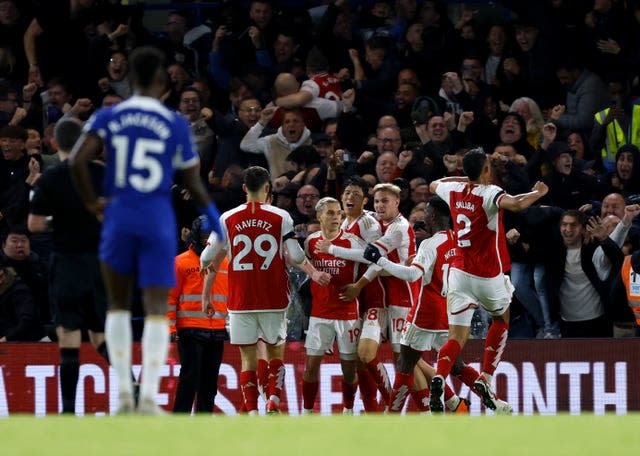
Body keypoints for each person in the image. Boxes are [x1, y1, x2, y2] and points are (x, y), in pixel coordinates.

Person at [69, 45, 223, 415]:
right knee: (155, 308)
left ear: (130, 79)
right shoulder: (173, 123)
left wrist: (92, 204)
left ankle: (125, 393)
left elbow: (76, 159)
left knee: (118, 306)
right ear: (160, 80)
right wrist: (217, 221)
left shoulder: (109, 115)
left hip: (119, 214)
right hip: (155, 217)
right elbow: (194, 181)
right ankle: (148, 398)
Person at [199, 166, 330, 415]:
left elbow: (207, 257)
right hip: (273, 298)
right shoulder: (281, 216)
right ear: (268, 188)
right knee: (275, 353)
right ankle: (273, 401)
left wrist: (205, 267)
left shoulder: (226, 218)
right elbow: (296, 255)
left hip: (241, 299)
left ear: (244, 188)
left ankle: (250, 410)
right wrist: (309, 267)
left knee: (248, 359)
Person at [427, 148, 548, 413]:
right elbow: (516, 203)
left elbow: (433, 184)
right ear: (485, 170)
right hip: (487, 274)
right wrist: (537, 193)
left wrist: (459, 180)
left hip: (458, 273)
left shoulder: (453, 191)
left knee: (456, 336)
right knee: (501, 318)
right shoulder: (490, 193)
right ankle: (487, 377)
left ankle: (439, 375)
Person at [364, 196, 505, 413]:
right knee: (457, 366)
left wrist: (380, 260)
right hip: (451, 314)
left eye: (427, 212)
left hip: (424, 315)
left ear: (436, 216)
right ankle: (495, 402)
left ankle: (390, 417)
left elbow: (412, 275)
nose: (424, 216)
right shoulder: (462, 241)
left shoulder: (430, 244)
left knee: (405, 366)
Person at [27, 117, 119, 414]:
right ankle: (135, 393)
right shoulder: (102, 173)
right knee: (101, 335)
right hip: (99, 264)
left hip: (66, 263)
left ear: (55, 143)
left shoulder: (51, 178)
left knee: (68, 337)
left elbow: (34, 224)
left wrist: (61, 220)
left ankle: (68, 413)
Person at [302, 197, 371, 414]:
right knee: (311, 366)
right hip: (319, 314)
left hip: (347, 313)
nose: (336, 217)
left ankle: (348, 410)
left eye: (339, 213)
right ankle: (307, 411)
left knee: (349, 369)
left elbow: (375, 261)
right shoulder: (311, 242)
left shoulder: (351, 241)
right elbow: (303, 263)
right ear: (319, 216)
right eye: (330, 213)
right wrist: (313, 274)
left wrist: (359, 286)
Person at [168, 215, 228, 414]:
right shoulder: (180, 262)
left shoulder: (226, 261)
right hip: (190, 329)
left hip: (217, 330)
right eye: (203, 235)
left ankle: (204, 421)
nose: (206, 240)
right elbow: (169, 298)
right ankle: (180, 421)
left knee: (209, 384)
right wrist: (170, 326)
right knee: (189, 380)